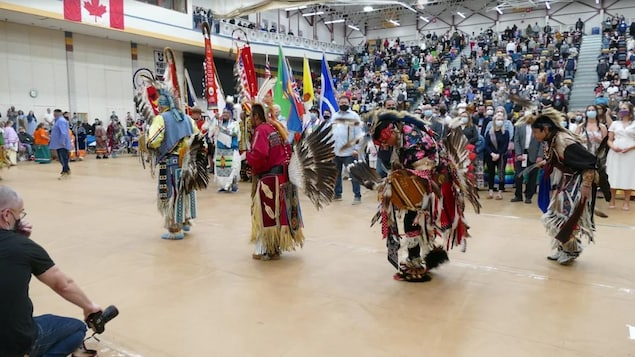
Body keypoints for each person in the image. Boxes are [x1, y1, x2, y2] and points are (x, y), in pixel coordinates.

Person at [365, 111, 480, 282]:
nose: (384, 146)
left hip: (433, 182)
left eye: (384, 141)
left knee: (413, 219)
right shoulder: (403, 136)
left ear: (391, 131)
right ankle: (428, 254)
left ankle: (415, 263)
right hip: (423, 183)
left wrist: (395, 182)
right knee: (421, 220)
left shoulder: (413, 139)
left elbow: (423, 170)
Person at [0, 186, 101, 357]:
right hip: (14, 343)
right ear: (6, 214)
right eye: (20, 214)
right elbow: (62, 285)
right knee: (77, 328)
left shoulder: (20, 245)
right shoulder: (24, 248)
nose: (20, 218)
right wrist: (89, 307)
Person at [523, 108, 607, 265]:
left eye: (536, 132)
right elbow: (561, 159)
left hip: (577, 182)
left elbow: (590, 163)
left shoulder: (564, 141)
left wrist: (586, 186)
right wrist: (547, 162)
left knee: (562, 219)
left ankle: (572, 249)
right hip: (567, 181)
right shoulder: (552, 139)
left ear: (545, 129)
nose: (534, 136)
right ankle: (564, 248)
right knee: (555, 216)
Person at [246, 103, 303, 260]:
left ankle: (267, 247)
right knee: (277, 214)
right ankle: (274, 247)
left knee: (267, 215)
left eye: (251, 116)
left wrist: (248, 157)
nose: (250, 119)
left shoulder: (262, 130)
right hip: (283, 177)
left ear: (256, 116)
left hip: (270, 178)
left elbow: (259, 154)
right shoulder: (276, 128)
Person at [147, 91, 201, 240]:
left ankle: (175, 229)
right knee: (185, 192)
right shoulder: (188, 119)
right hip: (188, 163)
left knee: (172, 195)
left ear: (163, 106)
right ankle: (185, 221)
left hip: (171, 163)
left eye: (159, 106)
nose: (158, 109)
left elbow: (153, 140)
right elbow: (198, 137)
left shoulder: (161, 119)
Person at [330, 95, 363, 205]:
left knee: (353, 175)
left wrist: (357, 149)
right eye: (341, 102)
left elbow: (358, 134)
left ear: (349, 103)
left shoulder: (354, 116)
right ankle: (337, 194)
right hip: (336, 151)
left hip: (350, 152)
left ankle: (357, 196)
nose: (343, 104)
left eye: (345, 102)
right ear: (338, 103)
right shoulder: (334, 116)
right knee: (336, 175)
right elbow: (331, 133)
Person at [606, 102, 635, 210]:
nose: (622, 110)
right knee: (613, 175)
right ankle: (612, 200)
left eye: (625, 108)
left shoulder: (634, 124)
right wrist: (613, 147)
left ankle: (626, 202)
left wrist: (629, 148)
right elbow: (609, 140)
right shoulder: (615, 124)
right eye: (621, 108)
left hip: (630, 153)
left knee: (628, 175)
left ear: (630, 110)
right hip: (615, 152)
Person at [511, 121, 543, 204]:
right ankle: (518, 195)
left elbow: (542, 142)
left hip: (534, 154)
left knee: (532, 177)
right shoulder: (519, 126)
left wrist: (540, 155)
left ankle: (529, 196)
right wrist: (518, 154)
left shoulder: (539, 126)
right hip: (522, 153)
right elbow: (516, 140)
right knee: (518, 175)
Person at [213, 107, 241, 192]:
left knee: (233, 168)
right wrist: (215, 120)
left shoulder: (235, 124)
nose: (225, 114)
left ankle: (233, 185)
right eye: (224, 112)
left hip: (231, 149)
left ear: (231, 114)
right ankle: (223, 185)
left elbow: (234, 133)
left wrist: (221, 128)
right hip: (221, 150)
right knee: (221, 168)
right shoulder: (219, 123)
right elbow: (211, 131)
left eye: (227, 112)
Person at [49, 109, 73, 179]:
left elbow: (63, 132)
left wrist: (62, 141)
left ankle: (65, 171)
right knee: (60, 157)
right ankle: (67, 170)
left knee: (63, 157)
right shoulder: (57, 121)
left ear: (58, 113)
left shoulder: (61, 121)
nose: (54, 115)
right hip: (58, 143)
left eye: (55, 113)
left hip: (61, 143)